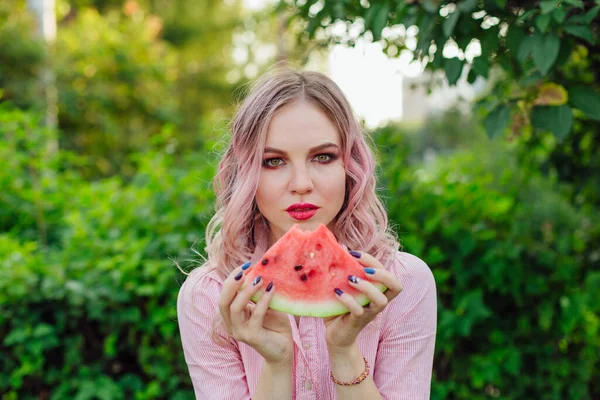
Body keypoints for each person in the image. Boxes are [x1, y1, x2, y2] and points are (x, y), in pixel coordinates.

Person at [177, 66, 437, 399]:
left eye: (323, 157)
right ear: (246, 173)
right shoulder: (209, 297)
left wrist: (344, 353)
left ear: (350, 165)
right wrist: (276, 363)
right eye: (273, 161)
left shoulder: (403, 283)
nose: (301, 184)